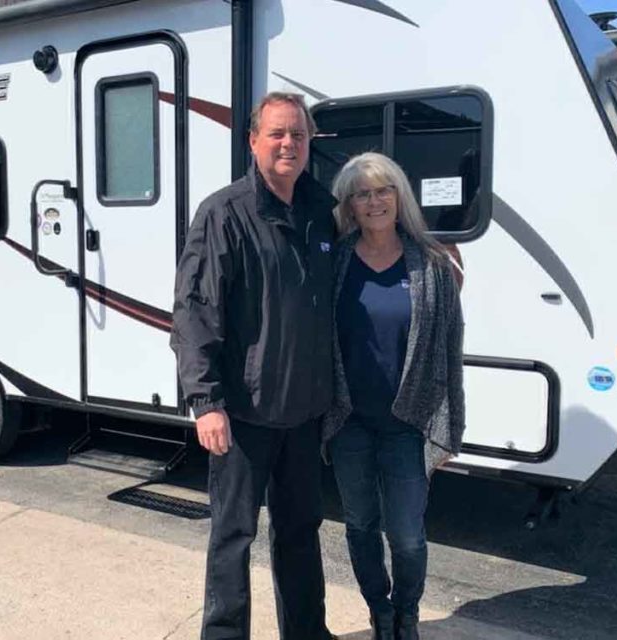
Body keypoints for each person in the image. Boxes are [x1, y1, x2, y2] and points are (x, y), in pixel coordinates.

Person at [171, 92, 337, 640]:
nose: (288, 143)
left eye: (298, 134)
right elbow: (195, 310)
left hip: (304, 413)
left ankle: (307, 632)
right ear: (253, 141)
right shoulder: (225, 213)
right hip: (242, 415)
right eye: (277, 134)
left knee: (300, 533)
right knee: (233, 536)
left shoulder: (321, 212)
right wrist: (205, 401)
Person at [322, 153, 465, 640]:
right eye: (362, 193)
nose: (374, 200)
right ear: (351, 205)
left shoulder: (431, 265)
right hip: (349, 423)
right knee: (360, 527)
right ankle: (378, 612)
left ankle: (407, 613)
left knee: (406, 535)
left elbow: (450, 351)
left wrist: (451, 428)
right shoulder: (336, 261)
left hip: (407, 422)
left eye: (383, 190)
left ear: (399, 196)